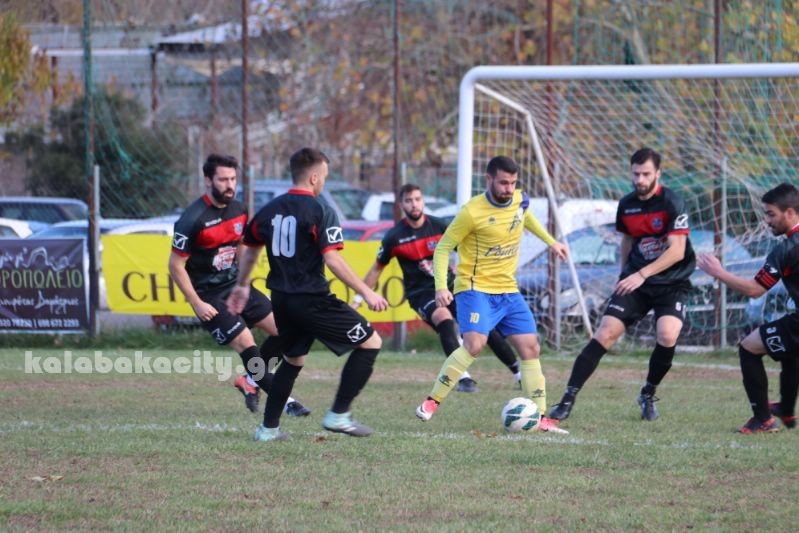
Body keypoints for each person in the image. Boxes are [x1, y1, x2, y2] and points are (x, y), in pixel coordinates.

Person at [228, 147, 389, 442]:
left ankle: (268, 429)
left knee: (293, 360)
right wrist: (367, 292)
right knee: (370, 342)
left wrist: (242, 284)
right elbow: (333, 259)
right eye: (324, 176)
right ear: (314, 177)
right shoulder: (320, 210)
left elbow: (250, 249)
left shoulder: (269, 209)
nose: (324, 182)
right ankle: (339, 414)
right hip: (312, 300)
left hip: (282, 300)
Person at [414, 155, 569, 433]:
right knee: (474, 344)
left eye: (513, 183)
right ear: (488, 179)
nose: (509, 189)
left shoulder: (520, 200)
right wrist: (441, 286)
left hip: (507, 289)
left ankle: (540, 417)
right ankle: (432, 401)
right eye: (503, 183)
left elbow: (525, 218)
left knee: (531, 348)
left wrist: (551, 242)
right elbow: (443, 248)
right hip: (474, 289)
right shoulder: (471, 212)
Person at [548, 147, 695, 424]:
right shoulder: (627, 204)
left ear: (658, 173)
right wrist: (624, 273)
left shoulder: (673, 203)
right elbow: (627, 239)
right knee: (605, 333)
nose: (640, 180)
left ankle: (648, 394)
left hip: (671, 283)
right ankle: (567, 399)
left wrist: (641, 274)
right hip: (636, 282)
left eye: (646, 174)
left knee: (667, 335)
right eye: (636, 174)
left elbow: (677, 251)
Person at [168, 153, 310, 418]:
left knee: (286, 331)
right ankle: (286, 402)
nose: (230, 185)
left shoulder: (239, 210)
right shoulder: (192, 219)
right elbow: (175, 266)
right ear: (208, 180)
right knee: (246, 342)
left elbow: (241, 246)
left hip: (235, 286)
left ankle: (249, 380)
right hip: (209, 295)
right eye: (223, 179)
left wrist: (244, 284)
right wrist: (196, 303)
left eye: (233, 179)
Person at [355, 183, 522, 392]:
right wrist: (359, 298)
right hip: (421, 293)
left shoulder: (439, 226)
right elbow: (376, 269)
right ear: (401, 205)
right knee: (445, 321)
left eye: (417, 199)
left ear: (423, 201)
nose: (414, 204)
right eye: (408, 200)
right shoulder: (394, 237)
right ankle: (463, 378)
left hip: (450, 286)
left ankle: (519, 374)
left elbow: (467, 250)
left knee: (484, 327)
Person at [697, 182, 799, 434]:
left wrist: (719, 272)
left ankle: (763, 419)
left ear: (790, 213)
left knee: (749, 347)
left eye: (771, 214)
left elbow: (755, 290)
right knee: (789, 350)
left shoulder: (787, 248)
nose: (767, 221)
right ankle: (786, 408)